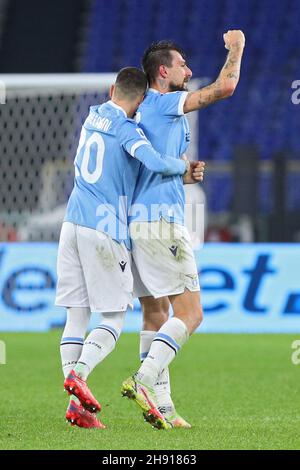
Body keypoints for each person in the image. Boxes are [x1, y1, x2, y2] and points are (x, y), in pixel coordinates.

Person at [55, 67, 203, 429]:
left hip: (70, 224)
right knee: (114, 317)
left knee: (77, 315)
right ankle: (82, 374)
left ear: (110, 90)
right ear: (140, 102)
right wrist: (180, 166)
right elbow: (151, 161)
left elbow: (128, 168)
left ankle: (78, 407)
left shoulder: (93, 116)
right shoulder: (128, 129)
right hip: (104, 228)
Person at [122, 30, 245, 429]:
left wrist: (184, 177)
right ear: (163, 72)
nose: (189, 71)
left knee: (155, 314)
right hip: (162, 223)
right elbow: (225, 87)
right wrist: (237, 47)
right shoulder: (163, 102)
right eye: (182, 66)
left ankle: (165, 407)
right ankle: (141, 381)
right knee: (191, 314)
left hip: (136, 222)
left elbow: (147, 166)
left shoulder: (141, 111)